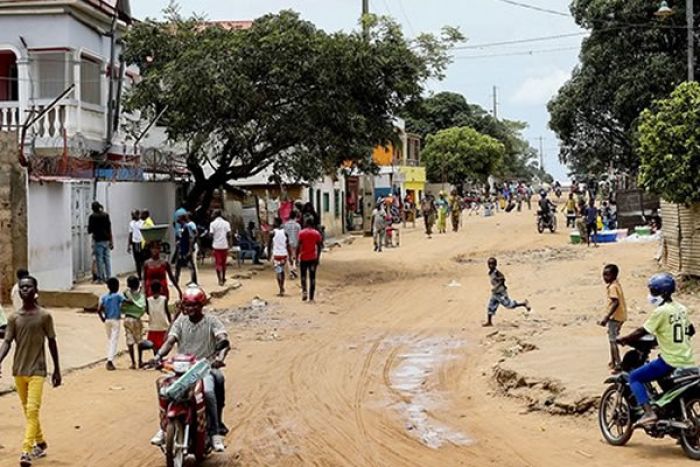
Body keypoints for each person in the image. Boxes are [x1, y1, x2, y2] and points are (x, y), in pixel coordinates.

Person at [150, 286, 230, 452]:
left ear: (201, 306)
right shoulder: (180, 321)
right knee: (164, 390)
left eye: (194, 305)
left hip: (203, 369)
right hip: (181, 369)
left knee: (208, 393)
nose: (190, 309)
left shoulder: (212, 321)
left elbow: (223, 339)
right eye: (187, 305)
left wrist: (219, 358)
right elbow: (170, 341)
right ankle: (164, 428)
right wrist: (158, 356)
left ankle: (215, 433)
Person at [618, 273, 696, 427]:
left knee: (634, 377)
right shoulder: (681, 309)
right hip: (687, 360)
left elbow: (642, 331)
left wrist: (625, 339)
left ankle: (649, 413)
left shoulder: (661, 312)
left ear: (664, 292)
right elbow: (690, 330)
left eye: (653, 291)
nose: (651, 295)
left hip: (670, 361)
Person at [0, 276, 61, 467]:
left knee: (32, 409)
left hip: (38, 370)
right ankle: (40, 442)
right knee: (28, 411)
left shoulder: (44, 316)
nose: (25, 289)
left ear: (35, 289)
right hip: (19, 370)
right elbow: (7, 342)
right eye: (22, 287)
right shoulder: (14, 318)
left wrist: (57, 369)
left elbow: (52, 341)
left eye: (29, 286)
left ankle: (26, 450)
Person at [483, 257, 531, 327]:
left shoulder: (497, 272)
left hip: (501, 292)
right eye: (489, 264)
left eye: (492, 264)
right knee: (490, 306)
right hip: (495, 293)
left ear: (495, 265)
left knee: (509, 305)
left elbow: (502, 279)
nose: (490, 266)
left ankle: (523, 303)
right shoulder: (490, 272)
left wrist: (497, 286)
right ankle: (489, 322)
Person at [597, 264, 627, 371]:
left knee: (613, 341)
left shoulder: (613, 287)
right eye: (603, 275)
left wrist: (606, 317)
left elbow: (615, 302)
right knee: (612, 339)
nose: (604, 278)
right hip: (620, 316)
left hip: (615, 317)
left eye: (607, 275)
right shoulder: (616, 284)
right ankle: (613, 361)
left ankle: (618, 364)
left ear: (614, 275)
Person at [141, 281, 172, 365]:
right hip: (163, 324)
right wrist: (170, 321)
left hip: (153, 325)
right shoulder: (164, 299)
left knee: (154, 344)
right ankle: (160, 359)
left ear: (151, 289)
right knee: (162, 344)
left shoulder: (148, 300)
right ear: (160, 289)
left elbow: (147, 311)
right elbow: (167, 312)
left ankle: (156, 358)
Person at [97, 277, 124, 371]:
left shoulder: (104, 297)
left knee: (110, 340)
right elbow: (127, 301)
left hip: (107, 320)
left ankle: (110, 356)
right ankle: (110, 360)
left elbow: (99, 309)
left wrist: (102, 318)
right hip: (115, 320)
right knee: (114, 340)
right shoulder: (118, 296)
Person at [122, 275, 146, 369]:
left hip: (127, 319)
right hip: (137, 320)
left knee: (129, 341)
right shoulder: (140, 296)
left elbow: (125, 294)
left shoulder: (126, 294)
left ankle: (133, 363)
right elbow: (142, 306)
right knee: (139, 340)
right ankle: (140, 361)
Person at [297, 218, 323, 302]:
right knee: (312, 277)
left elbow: (299, 246)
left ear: (305, 223)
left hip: (303, 257)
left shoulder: (301, 233)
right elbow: (319, 246)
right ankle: (311, 297)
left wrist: (297, 256)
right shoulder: (316, 233)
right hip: (313, 258)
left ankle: (304, 291)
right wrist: (318, 257)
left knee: (303, 276)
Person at [87, 201, 113, 283]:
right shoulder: (106, 215)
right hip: (106, 240)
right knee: (107, 259)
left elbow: (89, 230)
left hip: (98, 240)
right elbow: (109, 228)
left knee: (99, 260)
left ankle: (101, 278)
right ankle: (109, 277)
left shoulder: (92, 217)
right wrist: (111, 240)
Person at [269, 218, 292, 296]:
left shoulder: (272, 233)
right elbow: (288, 245)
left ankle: (281, 288)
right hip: (284, 255)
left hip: (276, 255)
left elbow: (269, 245)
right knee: (282, 272)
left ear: (275, 223)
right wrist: (291, 256)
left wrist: (269, 255)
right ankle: (282, 286)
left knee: (278, 272)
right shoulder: (285, 233)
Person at [209, 210, 232, 286]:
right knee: (223, 263)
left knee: (218, 264)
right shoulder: (226, 223)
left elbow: (211, 235)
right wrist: (230, 244)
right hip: (224, 245)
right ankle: (224, 277)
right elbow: (229, 234)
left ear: (215, 215)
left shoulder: (212, 224)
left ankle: (220, 279)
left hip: (216, 246)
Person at [175, 213, 198, 286]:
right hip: (182, 249)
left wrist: (190, 250)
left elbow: (191, 238)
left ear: (182, 219)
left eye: (178, 218)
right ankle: (176, 280)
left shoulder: (186, 227)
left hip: (186, 249)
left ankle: (194, 281)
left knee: (190, 265)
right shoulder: (182, 227)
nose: (177, 220)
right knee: (177, 266)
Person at [283, 213, 301, 279]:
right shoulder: (298, 225)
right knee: (294, 256)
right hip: (296, 242)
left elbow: (284, 234)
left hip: (288, 242)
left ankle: (291, 270)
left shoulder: (286, 225)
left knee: (288, 256)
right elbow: (300, 235)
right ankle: (294, 267)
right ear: (295, 217)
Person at [128, 210, 144, 279]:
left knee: (142, 260)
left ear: (138, 215)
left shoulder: (142, 223)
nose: (132, 216)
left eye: (133, 215)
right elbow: (130, 234)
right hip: (135, 243)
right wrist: (128, 245)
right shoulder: (131, 223)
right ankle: (139, 275)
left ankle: (144, 274)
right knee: (137, 260)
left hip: (142, 242)